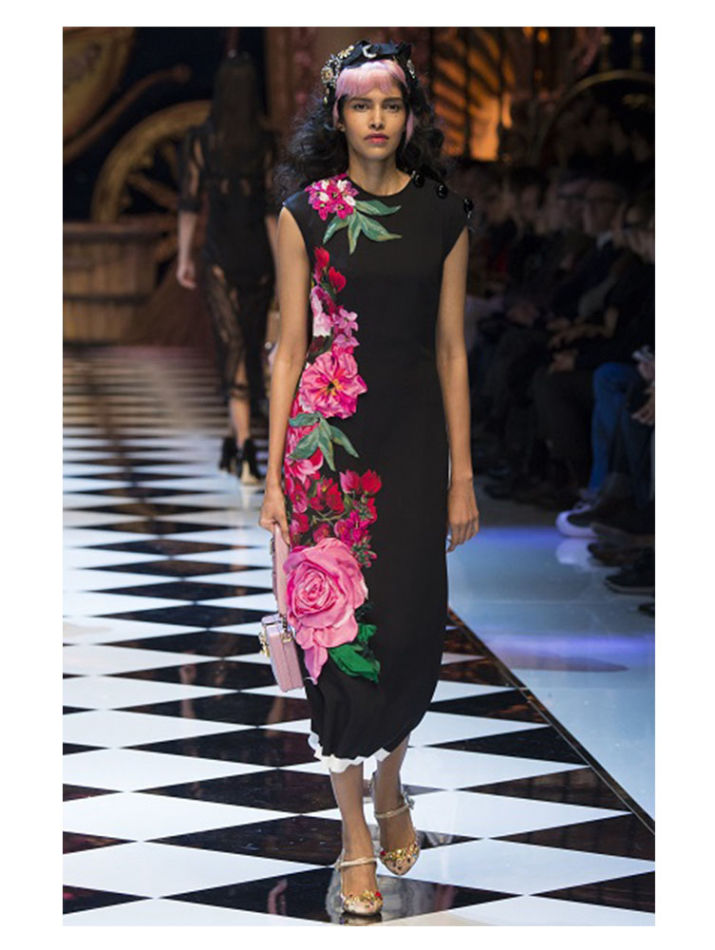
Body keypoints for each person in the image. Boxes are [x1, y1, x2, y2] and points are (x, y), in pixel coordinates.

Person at [258, 39, 479, 917]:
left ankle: (390, 781)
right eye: (360, 104)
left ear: (410, 115)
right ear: (337, 116)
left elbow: (452, 350)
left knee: (414, 632)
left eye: (390, 104)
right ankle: (354, 832)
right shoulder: (304, 214)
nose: (376, 119)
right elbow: (289, 348)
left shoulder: (443, 214)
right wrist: (273, 475)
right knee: (336, 638)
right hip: (327, 446)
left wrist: (463, 476)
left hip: (414, 446)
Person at [177, 52, 278, 484]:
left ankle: (243, 447)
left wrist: (184, 256)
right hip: (258, 258)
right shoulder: (267, 143)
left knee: (232, 347)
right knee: (248, 347)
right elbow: (273, 213)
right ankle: (239, 441)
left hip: (219, 256)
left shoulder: (202, 141)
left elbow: (188, 204)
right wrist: (284, 267)